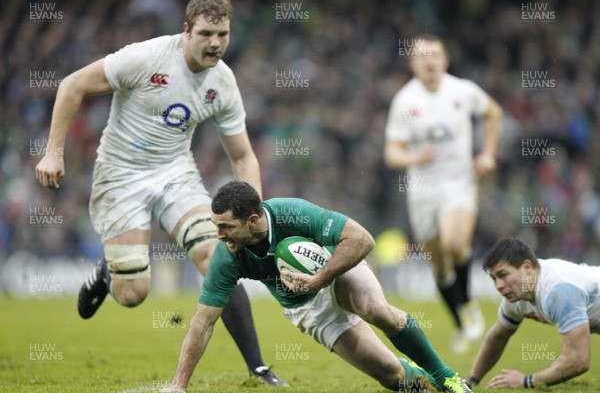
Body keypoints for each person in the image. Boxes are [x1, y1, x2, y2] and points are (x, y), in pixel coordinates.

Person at [34, 0, 285, 386]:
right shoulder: (146, 57)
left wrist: (254, 215)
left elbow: (243, 156)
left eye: (222, 34)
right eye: (205, 33)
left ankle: (258, 367)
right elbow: (71, 85)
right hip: (120, 175)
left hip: (175, 173)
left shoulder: (223, 82)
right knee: (134, 293)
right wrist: (53, 153)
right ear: (186, 31)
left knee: (220, 257)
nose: (215, 43)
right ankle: (107, 274)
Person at [161, 180, 472, 393]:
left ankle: (448, 379)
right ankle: (419, 375)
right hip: (305, 307)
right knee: (395, 379)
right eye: (216, 226)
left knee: (376, 310)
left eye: (226, 227)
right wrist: (179, 385)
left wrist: (318, 278)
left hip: (334, 272)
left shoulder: (292, 212)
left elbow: (362, 239)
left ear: (252, 220)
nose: (220, 235)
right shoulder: (226, 258)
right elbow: (203, 323)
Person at [384, 33, 503, 353]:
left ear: (445, 59)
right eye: (422, 55)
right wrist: (413, 157)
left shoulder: (462, 91)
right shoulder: (405, 101)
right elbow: (392, 153)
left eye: (435, 54)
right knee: (437, 264)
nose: (429, 60)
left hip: (458, 180)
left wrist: (488, 154)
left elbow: (494, 112)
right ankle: (462, 323)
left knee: (454, 242)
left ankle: (466, 303)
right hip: (422, 187)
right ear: (412, 64)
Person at [467, 237, 599, 389]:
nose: (498, 285)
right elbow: (498, 336)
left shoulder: (559, 291)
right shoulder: (518, 295)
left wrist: (526, 381)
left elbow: (578, 360)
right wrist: (470, 381)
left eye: (503, 275)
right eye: (494, 278)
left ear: (527, 267)